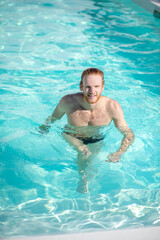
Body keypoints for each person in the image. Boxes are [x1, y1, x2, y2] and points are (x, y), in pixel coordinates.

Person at [39, 68, 134, 193]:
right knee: (83, 152)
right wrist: (44, 128)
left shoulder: (112, 107)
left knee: (90, 161)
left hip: (96, 139)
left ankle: (84, 179)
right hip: (71, 135)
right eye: (88, 87)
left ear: (103, 87)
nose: (92, 91)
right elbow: (53, 118)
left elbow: (128, 134)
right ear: (81, 86)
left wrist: (120, 152)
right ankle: (83, 178)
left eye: (96, 86)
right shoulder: (67, 101)